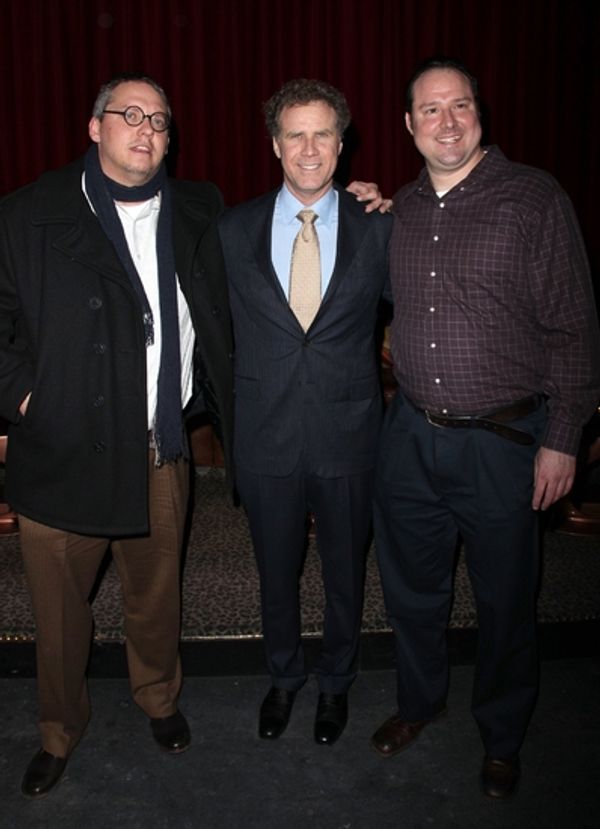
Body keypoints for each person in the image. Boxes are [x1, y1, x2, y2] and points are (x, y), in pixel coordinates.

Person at [370, 56, 600, 798]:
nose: (446, 121)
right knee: (411, 591)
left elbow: (573, 329)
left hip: (503, 444)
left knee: (506, 601)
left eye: (459, 105)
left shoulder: (533, 198)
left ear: (480, 115)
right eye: (430, 110)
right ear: (409, 125)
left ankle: (502, 734)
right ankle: (419, 701)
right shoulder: (398, 210)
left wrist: (563, 436)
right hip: (409, 435)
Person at [0, 73, 234, 797]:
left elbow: (274, 241)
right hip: (62, 450)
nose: (146, 129)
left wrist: (362, 207)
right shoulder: (27, 215)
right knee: (61, 612)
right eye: (129, 114)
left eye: (160, 119)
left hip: (160, 448)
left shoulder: (200, 211)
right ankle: (58, 729)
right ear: (94, 127)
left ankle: (158, 696)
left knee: (154, 592)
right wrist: (27, 398)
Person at [218, 79, 392, 746]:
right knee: (275, 571)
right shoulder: (234, 229)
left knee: (346, 572)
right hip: (266, 435)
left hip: (349, 435)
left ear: (342, 145)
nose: (310, 146)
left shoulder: (380, 226)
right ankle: (284, 677)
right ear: (275, 145)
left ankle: (335, 683)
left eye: (323, 133)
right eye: (296, 133)